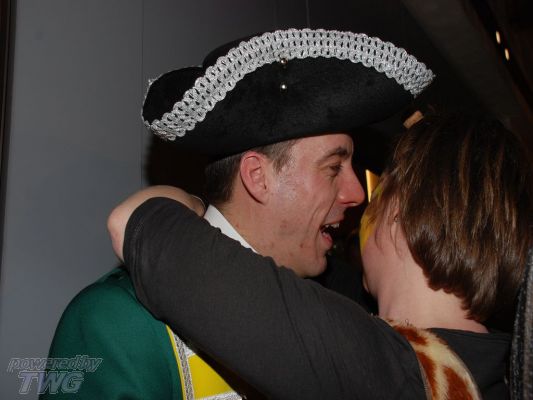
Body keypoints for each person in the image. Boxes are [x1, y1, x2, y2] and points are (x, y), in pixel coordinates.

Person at [43, 28, 434, 399]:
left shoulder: (338, 311)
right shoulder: (116, 321)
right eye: (334, 168)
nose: (356, 194)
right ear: (258, 177)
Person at [110, 112, 533, 399]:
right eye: (334, 169)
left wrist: (190, 203)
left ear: (405, 213)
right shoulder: (494, 364)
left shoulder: (377, 366)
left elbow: (135, 223)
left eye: (383, 189)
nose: (359, 197)